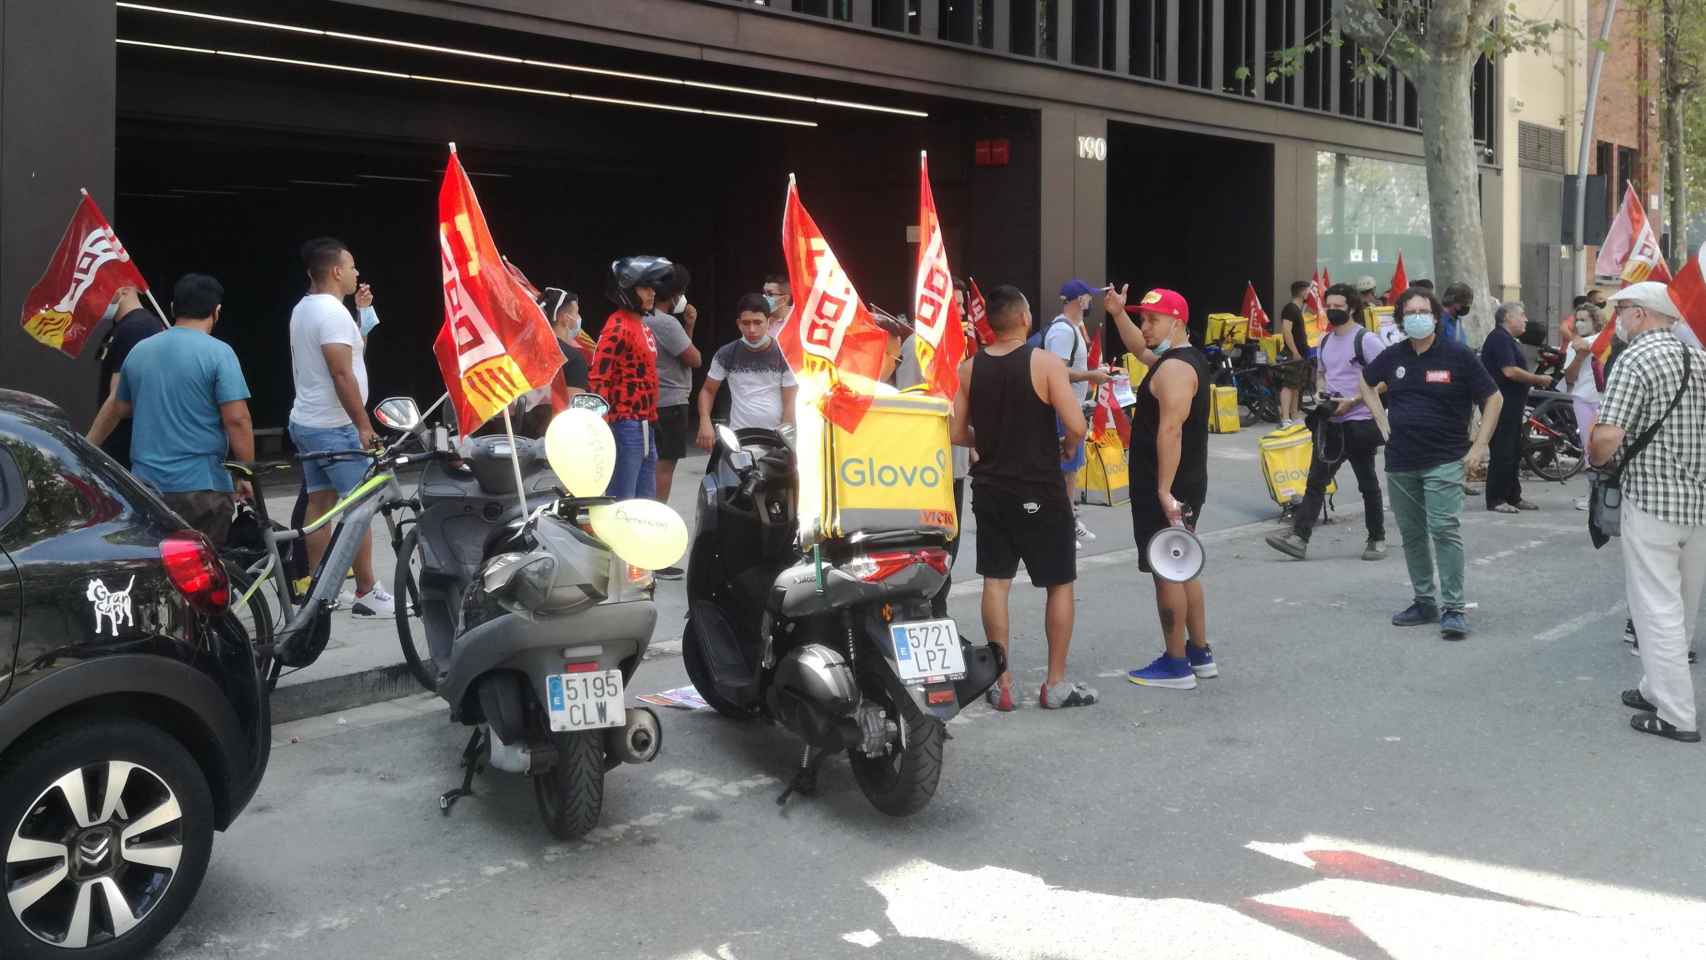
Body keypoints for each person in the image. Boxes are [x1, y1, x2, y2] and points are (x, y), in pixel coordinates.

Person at [950, 284, 1096, 711]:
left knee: (996, 581)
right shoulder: (1045, 362)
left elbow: (958, 433)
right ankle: (1055, 684)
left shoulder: (968, 368)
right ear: (1025, 319)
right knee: (1059, 583)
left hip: (991, 489)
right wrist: (1068, 447)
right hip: (1040, 488)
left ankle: (1003, 682)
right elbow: (1077, 426)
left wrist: (992, 439)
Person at [1588, 282, 1706, 742]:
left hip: (1654, 500)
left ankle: (1677, 714)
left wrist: (1597, 459)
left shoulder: (1635, 358)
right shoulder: (1699, 358)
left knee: (1654, 608)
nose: (1617, 319)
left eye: (1621, 311)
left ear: (1640, 314)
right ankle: (1655, 687)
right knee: (1683, 604)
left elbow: (1608, 436)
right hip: (1698, 501)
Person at [1356, 286, 1502, 640]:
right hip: (1401, 459)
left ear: (1436, 316)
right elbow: (1366, 381)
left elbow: (1493, 398)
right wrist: (1381, 420)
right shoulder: (1394, 356)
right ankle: (1424, 601)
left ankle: (1454, 608)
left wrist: (1479, 446)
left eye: (1424, 311)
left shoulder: (1458, 355)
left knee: (1444, 530)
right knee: (1412, 534)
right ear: (1402, 319)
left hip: (1445, 459)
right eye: (1410, 312)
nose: (1417, 317)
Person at [86, 274, 253, 547]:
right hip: (203, 489)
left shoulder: (140, 351)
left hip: (148, 487)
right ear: (216, 312)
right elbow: (237, 419)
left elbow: (118, 407)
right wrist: (246, 473)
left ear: (174, 308)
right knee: (205, 574)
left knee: (157, 572)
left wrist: (87, 447)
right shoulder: (220, 354)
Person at [1104, 286, 1215, 690]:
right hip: (1183, 483)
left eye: (1153, 320)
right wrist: (1119, 314)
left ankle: (1176, 663)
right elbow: (1140, 352)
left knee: (1166, 571)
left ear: (1178, 322)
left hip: (1168, 486)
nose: (1145, 327)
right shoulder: (1178, 360)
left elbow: (1170, 432)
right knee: (1183, 566)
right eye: (1143, 319)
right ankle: (1199, 652)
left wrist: (1164, 492)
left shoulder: (1175, 370)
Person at [286, 237, 392, 617]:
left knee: (320, 504)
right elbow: (342, 373)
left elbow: (351, 351)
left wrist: (361, 314)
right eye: (352, 267)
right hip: (336, 428)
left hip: (308, 422)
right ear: (335, 271)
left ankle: (320, 589)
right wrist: (362, 426)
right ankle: (366, 590)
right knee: (361, 506)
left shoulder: (307, 309)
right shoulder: (331, 313)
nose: (356, 273)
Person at [1266, 283, 1388, 561]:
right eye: (1328, 306)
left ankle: (1376, 538)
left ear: (1352, 308)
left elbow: (1385, 380)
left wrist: (1355, 400)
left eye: (1338, 307)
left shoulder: (1366, 340)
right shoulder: (1323, 341)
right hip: (1330, 423)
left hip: (1359, 424)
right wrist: (1322, 392)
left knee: (1367, 483)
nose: (1332, 311)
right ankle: (1299, 538)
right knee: (1316, 482)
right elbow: (1322, 374)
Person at [896, 299, 977, 617]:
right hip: (925, 465)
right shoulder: (917, 344)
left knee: (949, 542)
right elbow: (907, 405)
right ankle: (922, 605)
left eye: (960, 305)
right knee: (926, 541)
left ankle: (938, 605)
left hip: (954, 464)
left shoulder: (958, 344)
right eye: (951, 304)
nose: (958, 311)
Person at [1042, 279, 1112, 545]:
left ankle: (1069, 518)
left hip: (1072, 408)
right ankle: (1061, 525)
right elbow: (1056, 371)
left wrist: (1093, 372)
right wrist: (1090, 374)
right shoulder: (1063, 332)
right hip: (1063, 409)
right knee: (1064, 469)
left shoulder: (1073, 328)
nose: (1090, 301)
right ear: (1078, 300)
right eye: (1088, 297)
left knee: (1071, 470)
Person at [592, 257, 669, 499]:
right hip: (624, 423)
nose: (652, 293)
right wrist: (601, 424)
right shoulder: (618, 326)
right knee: (622, 499)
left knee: (645, 499)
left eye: (652, 287)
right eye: (645, 288)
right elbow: (598, 376)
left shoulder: (642, 326)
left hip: (645, 423)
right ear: (627, 290)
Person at [696, 294, 798, 446]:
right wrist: (704, 422)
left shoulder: (784, 354)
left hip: (776, 438)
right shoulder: (726, 354)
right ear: (738, 323)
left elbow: (790, 398)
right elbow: (708, 390)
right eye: (746, 323)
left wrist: (788, 436)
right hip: (739, 438)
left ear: (769, 322)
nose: (752, 329)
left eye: (758, 323)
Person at [1480, 302, 1549, 513]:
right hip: (1500, 405)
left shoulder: (1509, 340)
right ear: (1508, 317)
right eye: (1522, 315)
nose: (1526, 319)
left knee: (1513, 450)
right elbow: (1509, 371)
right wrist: (1537, 378)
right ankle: (1496, 499)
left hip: (1513, 405)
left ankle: (1513, 496)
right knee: (1502, 451)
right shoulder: (1499, 338)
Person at [93, 286, 166, 468]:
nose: (94, 296)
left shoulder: (137, 328)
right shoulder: (124, 327)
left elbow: (119, 400)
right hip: (122, 450)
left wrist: (89, 445)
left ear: (124, 288)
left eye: (100, 287)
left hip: (127, 456)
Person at [645, 291, 702, 511]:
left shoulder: (641, 319)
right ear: (674, 294)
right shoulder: (666, 322)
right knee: (664, 465)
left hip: (651, 401)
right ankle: (657, 515)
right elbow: (694, 358)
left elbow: (681, 350)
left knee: (651, 463)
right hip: (670, 402)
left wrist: (688, 326)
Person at [1277, 280, 1313, 427]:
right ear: (1303, 292)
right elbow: (1286, 331)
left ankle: (1295, 414)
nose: (1309, 293)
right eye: (1308, 290)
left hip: (1301, 353)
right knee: (1288, 385)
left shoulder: (1298, 309)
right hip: (1293, 353)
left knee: (1297, 385)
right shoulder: (1290, 309)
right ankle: (1285, 417)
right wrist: (1295, 351)